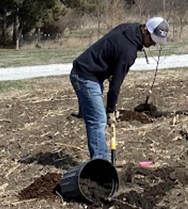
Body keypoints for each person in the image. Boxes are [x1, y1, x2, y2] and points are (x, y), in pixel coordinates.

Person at [70, 17, 169, 161]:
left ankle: (87, 116)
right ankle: (100, 164)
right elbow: (115, 86)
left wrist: (111, 69)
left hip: (91, 73)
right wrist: (110, 110)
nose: (153, 44)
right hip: (84, 76)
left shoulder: (129, 29)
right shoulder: (128, 51)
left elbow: (111, 49)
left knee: (94, 116)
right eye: (152, 39)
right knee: (98, 120)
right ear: (145, 30)